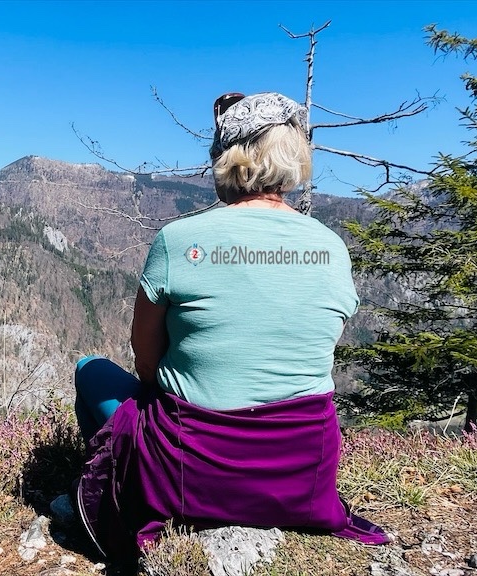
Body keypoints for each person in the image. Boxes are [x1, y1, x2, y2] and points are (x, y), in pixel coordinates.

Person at [72, 92, 390, 561]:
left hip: (192, 470)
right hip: (301, 474)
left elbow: (144, 355)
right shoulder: (331, 247)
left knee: (90, 370)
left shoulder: (180, 240)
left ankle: (124, 497)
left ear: (227, 160)